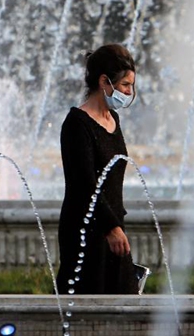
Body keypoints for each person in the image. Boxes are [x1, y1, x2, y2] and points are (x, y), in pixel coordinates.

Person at [56, 43, 139, 295]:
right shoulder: (76, 124)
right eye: (125, 85)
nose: (129, 92)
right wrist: (110, 228)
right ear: (105, 81)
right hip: (86, 230)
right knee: (86, 303)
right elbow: (84, 184)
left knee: (124, 299)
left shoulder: (113, 119)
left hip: (113, 226)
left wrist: (116, 225)